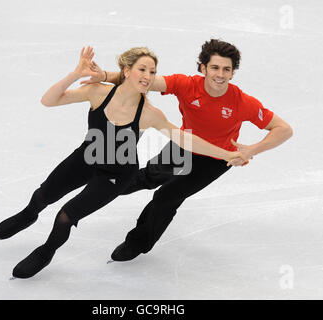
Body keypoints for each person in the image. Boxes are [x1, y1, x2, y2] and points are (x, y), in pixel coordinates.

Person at [0, 46, 247, 279]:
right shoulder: (98, 92)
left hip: (116, 174)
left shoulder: (149, 114)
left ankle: (45, 252)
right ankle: (28, 214)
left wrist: (225, 155)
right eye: (142, 69)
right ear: (127, 71)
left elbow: (186, 140)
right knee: (44, 193)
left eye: (153, 71)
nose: (148, 76)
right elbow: (48, 100)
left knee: (66, 215)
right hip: (86, 158)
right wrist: (75, 73)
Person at [83, 39, 293, 262]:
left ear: (232, 73)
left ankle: (136, 243)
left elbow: (284, 129)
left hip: (215, 159)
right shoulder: (187, 85)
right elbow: (143, 81)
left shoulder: (242, 102)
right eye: (214, 67)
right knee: (145, 178)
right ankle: (99, 187)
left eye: (226, 69)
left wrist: (253, 149)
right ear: (203, 68)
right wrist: (104, 76)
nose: (220, 74)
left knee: (166, 197)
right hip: (183, 146)